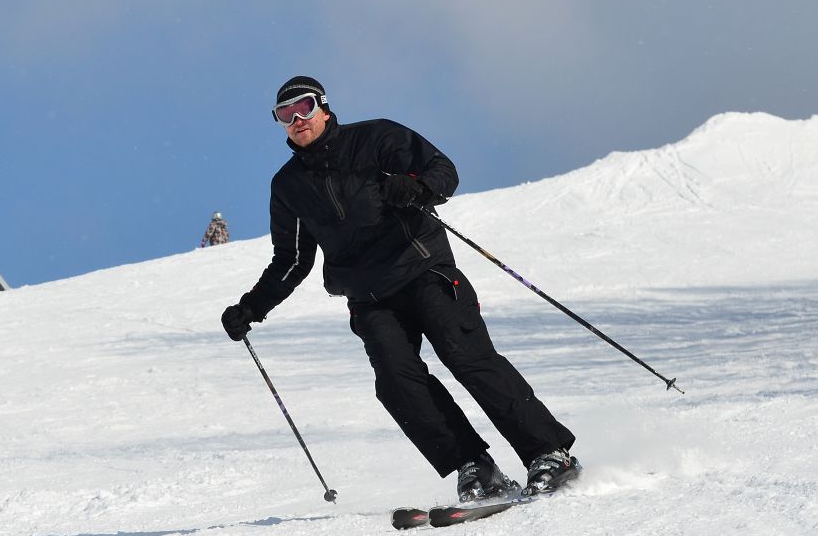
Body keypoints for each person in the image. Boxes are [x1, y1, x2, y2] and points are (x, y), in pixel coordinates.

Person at [220, 76, 578, 502]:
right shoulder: (288, 185)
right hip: (369, 299)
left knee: (465, 356)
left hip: (424, 270)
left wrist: (418, 187)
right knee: (395, 382)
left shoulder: (376, 138)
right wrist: (251, 308)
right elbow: (293, 260)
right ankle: (476, 468)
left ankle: (548, 452)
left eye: (305, 107)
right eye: (285, 114)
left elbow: (443, 171)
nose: (298, 119)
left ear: (324, 108)